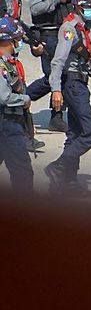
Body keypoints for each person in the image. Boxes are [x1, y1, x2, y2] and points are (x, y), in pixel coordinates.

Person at [43, 0, 91, 197]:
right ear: (79, 6)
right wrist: (55, 90)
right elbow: (58, 61)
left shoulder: (81, 27)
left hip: (80, 82)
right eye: (90, 5)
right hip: (72, 85)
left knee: (75, 133)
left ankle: (67, 182)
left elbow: (79, 57)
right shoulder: (69, 28)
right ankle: (58, 166)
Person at [25, 0, 74, 133]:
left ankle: (57, 115)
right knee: (51, 77)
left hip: (60, 32)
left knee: (64, 75)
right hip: (48, 34)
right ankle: (21, 100)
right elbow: (36, 8)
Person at [0, 15, 32, 193]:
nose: (19, 44)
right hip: (7, 122)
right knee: (22, 171)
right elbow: (3, 97)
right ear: (8, 41)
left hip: (7, 122)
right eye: (17, 40)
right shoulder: (1, 66)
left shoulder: (7, 63)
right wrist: (24, 100)